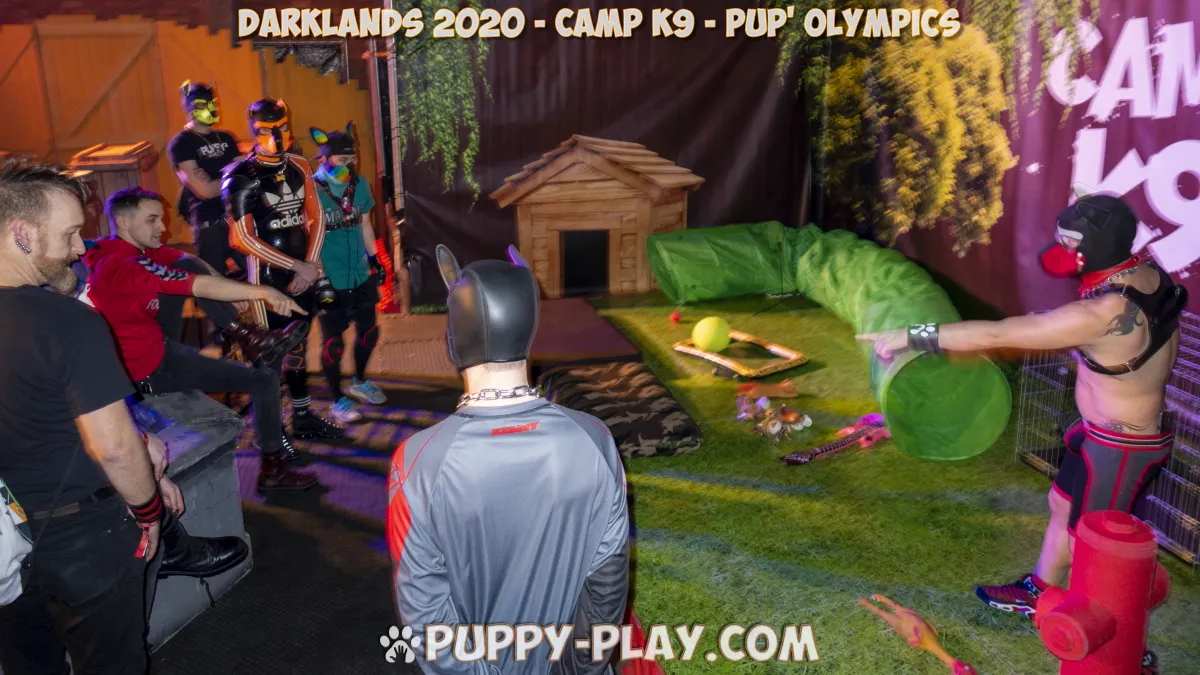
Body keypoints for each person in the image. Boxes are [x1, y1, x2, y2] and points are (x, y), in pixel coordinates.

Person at [859, 194, 1184, 670]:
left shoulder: (1102, 314)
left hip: (1122, 444)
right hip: (1102, 433)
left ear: (1094, 247)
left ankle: (1127, 654)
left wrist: (911, 335)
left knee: (1095, 553)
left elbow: (997, 334)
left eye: (1069, 241)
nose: (1060, 248)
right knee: (1062, 505)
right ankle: (1039, 590)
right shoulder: (1145, 271)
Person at [388, 245, 630, 674]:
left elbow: (426, 621)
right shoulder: (595, 439)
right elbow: (606, 585)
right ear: (528, 334)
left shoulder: (417, 462)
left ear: (452, 343)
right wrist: (576, 669)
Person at [0, 156, 162, 674]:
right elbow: (113, 448)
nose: (79, 248)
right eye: (70, 233)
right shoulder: (68, 321)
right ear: (23, 234)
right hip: (81, 537)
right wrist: (149, 510)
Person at [84, 186, 320, 492]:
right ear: (123, 222)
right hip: (148, 370)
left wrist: (226, 291)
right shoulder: (119, 264)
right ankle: (272, 470)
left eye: (161, 219)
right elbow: (195, 285)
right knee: (264, 380)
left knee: (187, 263)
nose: (163, 227)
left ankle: (249, 337)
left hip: (158, 345)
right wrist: (262, 291)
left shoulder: (137, 251)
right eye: (152, 220)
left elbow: (190, 263)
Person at [224, 99, 345, 440]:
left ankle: (302, 416)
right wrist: (299, 266)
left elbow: (316, 218)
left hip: (302, 268)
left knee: (298, 344)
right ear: (254, 130)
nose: (276, 136)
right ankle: (271, 434)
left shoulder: (299, 164)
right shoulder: (240, 175)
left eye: (282, 127)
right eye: (267, 129)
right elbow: (243, 238)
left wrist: (310, 266)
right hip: (266, 276)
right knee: (269, 353)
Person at [309, 123, 388, 424]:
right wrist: (319, 277)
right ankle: (337, 399)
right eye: (343, 160)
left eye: (352, 159)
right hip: (330, 277)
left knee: (369, 332)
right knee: (333, 342)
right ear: (326, 158)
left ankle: (360, 381)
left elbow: (365, 224)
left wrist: (376, 259)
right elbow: (307, 237)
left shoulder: (361, 185)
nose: (349, 165)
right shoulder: (312, 190)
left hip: (359, 275)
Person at [167, 80, 246, 280]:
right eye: (202, 104)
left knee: (255, 276)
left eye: (212, 103)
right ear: (189, 107)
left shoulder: (226, 138)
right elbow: (205, 191)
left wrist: (218, 179)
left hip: (238, 220)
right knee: (214, 283)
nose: (209, 108)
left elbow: (247, 174)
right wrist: (233, 175)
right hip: (209, 225)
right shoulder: (182, 142)